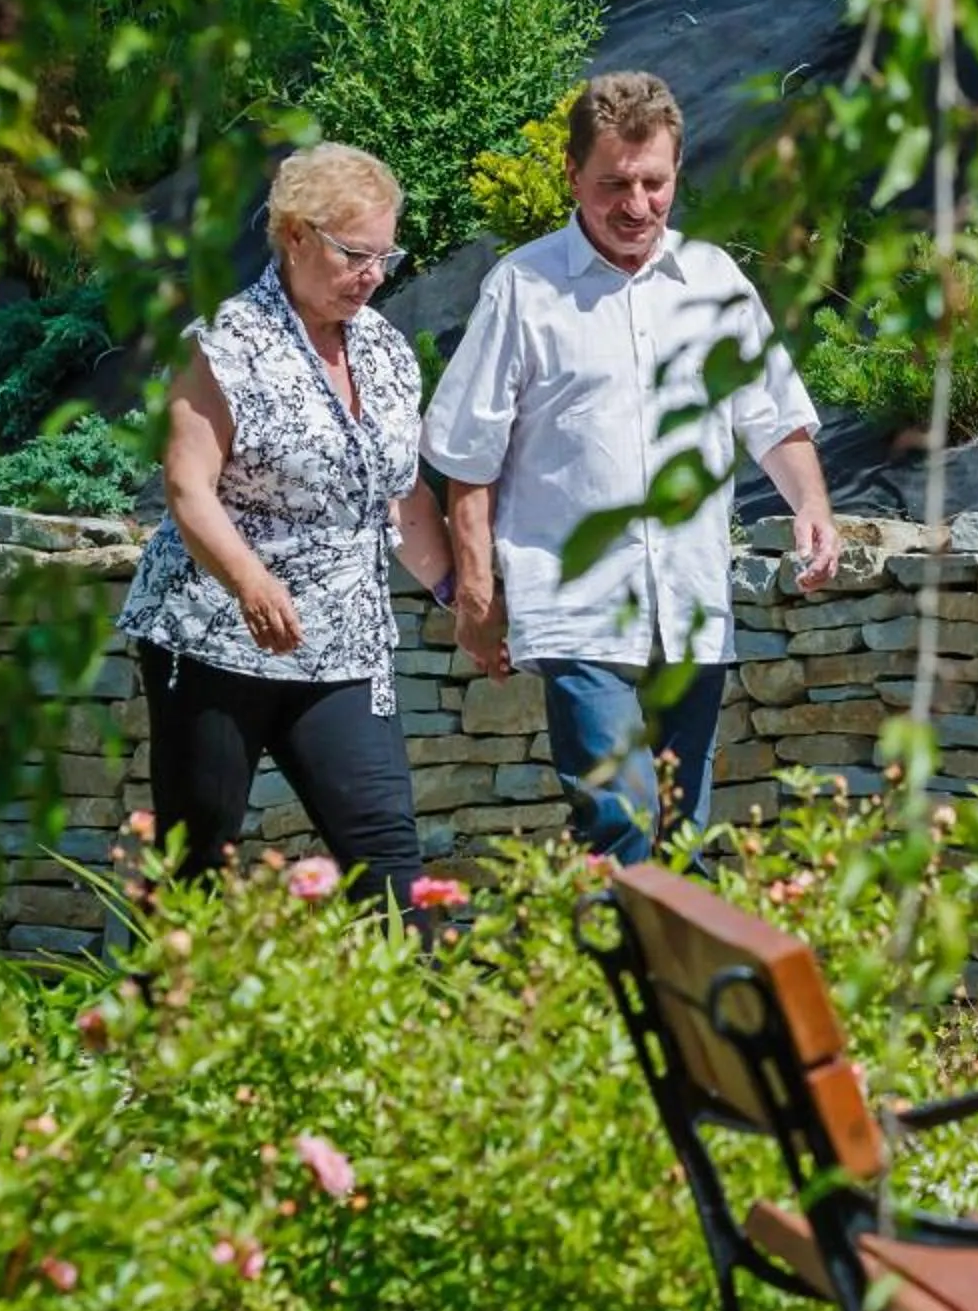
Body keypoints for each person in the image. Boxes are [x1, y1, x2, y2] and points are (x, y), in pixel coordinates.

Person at [425, 71, 840, 865]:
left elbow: (772, 417)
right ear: (572, 175)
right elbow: (469, 457)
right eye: (614, 183)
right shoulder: (522, 288)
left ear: (677, 171)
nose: (637, 204)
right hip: (578, 609)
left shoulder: (714, 281)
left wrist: (812, 507)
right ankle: (621, 944)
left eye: (654, 182)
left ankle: (652, 952)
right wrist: (474, 592)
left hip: (690, 604)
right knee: (622, 820)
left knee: (685, 834)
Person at [117, 142, 455, 931]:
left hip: (344, 649)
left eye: (386, 256)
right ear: (295, 235)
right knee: (195, 870)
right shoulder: (225, 342)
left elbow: (398, 495)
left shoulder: (386, 350)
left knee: (390, 866)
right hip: (215, 639)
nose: (373, 275)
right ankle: (162, 1005)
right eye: (354, 254)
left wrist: (459, 593)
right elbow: (187, 487)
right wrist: (250, 580)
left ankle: (426, 1004)